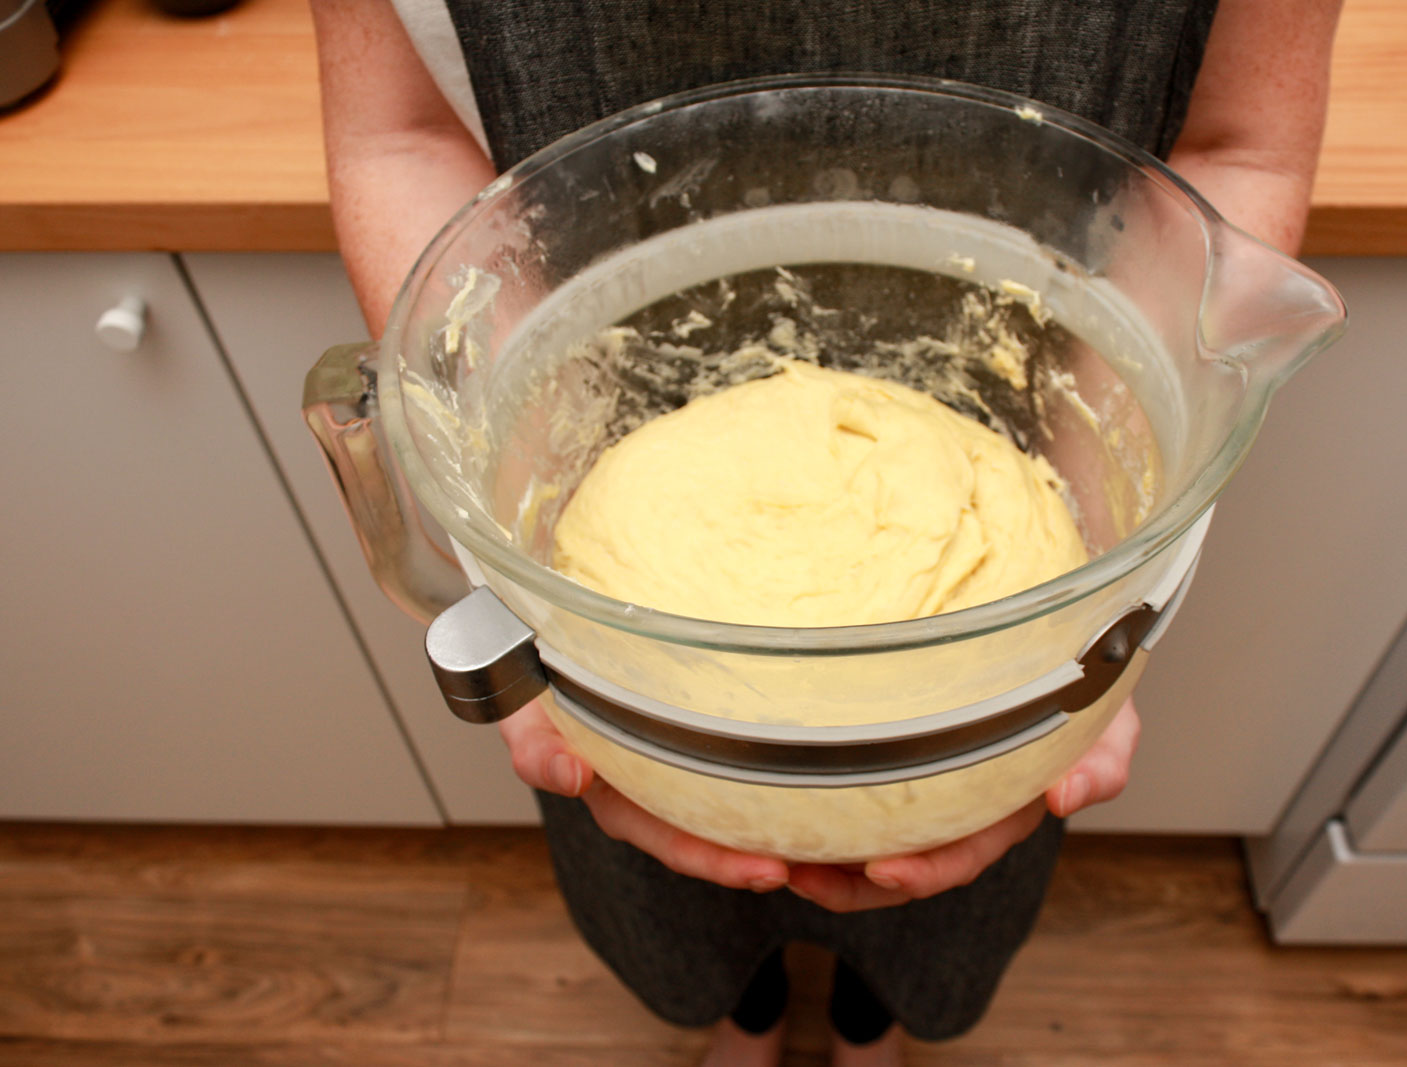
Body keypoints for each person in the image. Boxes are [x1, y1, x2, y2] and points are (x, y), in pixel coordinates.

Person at [308, 2, 1342, 1063]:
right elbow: (402, 133)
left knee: (929, 894)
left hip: (1011, 682)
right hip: (622, 675)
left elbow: (1236, 145)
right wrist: (524, 591)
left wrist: (1093, 598)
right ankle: (742, 1010)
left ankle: (869, 1018)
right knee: (680, 896)